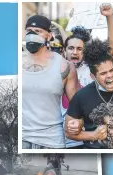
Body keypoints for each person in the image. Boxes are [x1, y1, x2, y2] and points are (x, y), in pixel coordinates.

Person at [65, 38, 113, 149]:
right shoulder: (81, 96)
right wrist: (93, 135)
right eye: (103, 73)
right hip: (93, 159)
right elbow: (68, 132)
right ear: (93, 76)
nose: (110, 75)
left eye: (112, 70)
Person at [21, 14, 79, 149]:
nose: (32, 34)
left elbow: (76, 105)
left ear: (48, 36)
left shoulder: (65, 66)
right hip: (22, 139)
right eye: (28, 30)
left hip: (52, 141)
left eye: (38, 31)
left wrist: (76, 125)